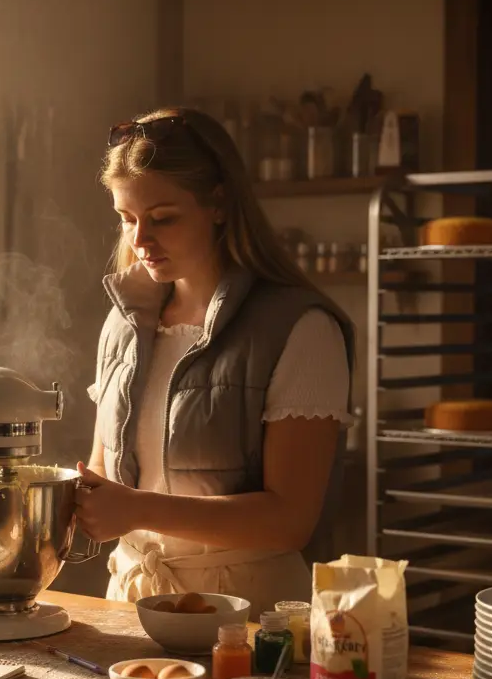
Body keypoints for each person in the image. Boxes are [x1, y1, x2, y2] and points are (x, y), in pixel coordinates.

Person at [74, 106, 355, 618]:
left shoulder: (300, 328)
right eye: (127, 218)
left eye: (162, 218)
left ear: (220, 204)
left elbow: (290, 521)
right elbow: (101, 470)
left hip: (249, 615)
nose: (139, 240)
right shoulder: (123, 323)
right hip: (130, 602)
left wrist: (135, 509)